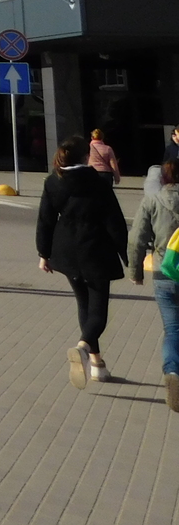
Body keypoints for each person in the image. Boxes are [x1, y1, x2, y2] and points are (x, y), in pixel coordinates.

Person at [38, 135, 128, 387]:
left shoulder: (53, 182)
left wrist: (43, 254)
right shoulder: (99, 183)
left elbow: (45, 220)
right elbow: (115, 223)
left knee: (83, 306)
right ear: (85, 157)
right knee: (98, 312)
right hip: (95, 251)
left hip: (65, 253)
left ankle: (97, 364)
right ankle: (83, 347)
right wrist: (126, 254)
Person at [129, 159, 179, 412]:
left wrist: (135, 271)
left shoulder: (153, 200)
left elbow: (137, 237)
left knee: (172, 328)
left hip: (164, 272)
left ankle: (172, 370)